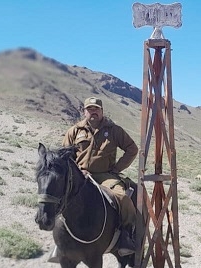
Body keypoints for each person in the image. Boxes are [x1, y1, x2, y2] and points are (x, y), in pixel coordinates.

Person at [53, 96, 139, 259]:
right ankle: (61, 241)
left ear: (101, 111)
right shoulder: (75, 131)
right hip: (79, 175)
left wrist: (117, 168)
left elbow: (132, 149)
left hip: (105, 175)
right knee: (58, 197)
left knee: (122, 198)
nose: (93, 112)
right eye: (90, 109)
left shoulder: (114, 130)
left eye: (96, 109)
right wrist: (75, 172)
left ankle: (126, 237)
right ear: (84, 111)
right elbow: (64, 155)